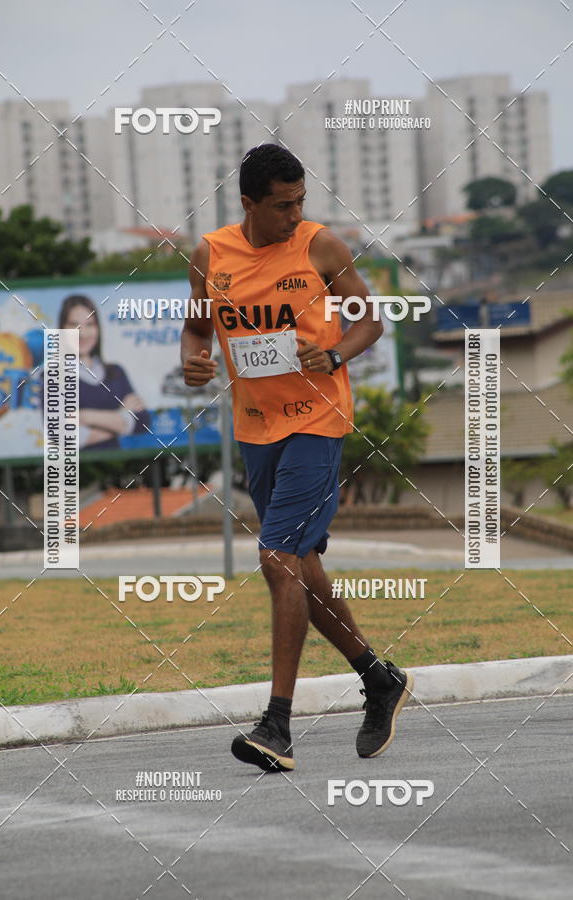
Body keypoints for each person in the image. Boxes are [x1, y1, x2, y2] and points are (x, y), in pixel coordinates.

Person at [181, 144, 413, 772]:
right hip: (257, 431)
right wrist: (193, 361)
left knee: (277, 557)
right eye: (283, 206)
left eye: (300, 202)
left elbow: (370, 323)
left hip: (318, 421)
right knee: (300, 566)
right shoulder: (210, 255)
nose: (294, 215)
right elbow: (198, 330)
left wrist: (335, 354)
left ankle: (276, 725)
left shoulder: (321, 248)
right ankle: (378, 676)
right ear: (248, 204)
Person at [58, 295, 149, 451]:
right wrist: (121, 418)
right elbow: (63, 437)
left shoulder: (115, 372)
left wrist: (84, 416)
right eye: (74, 325)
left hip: (121, 465)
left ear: (98, 328)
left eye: (90, 325)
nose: (83, 333)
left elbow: (143, 422)